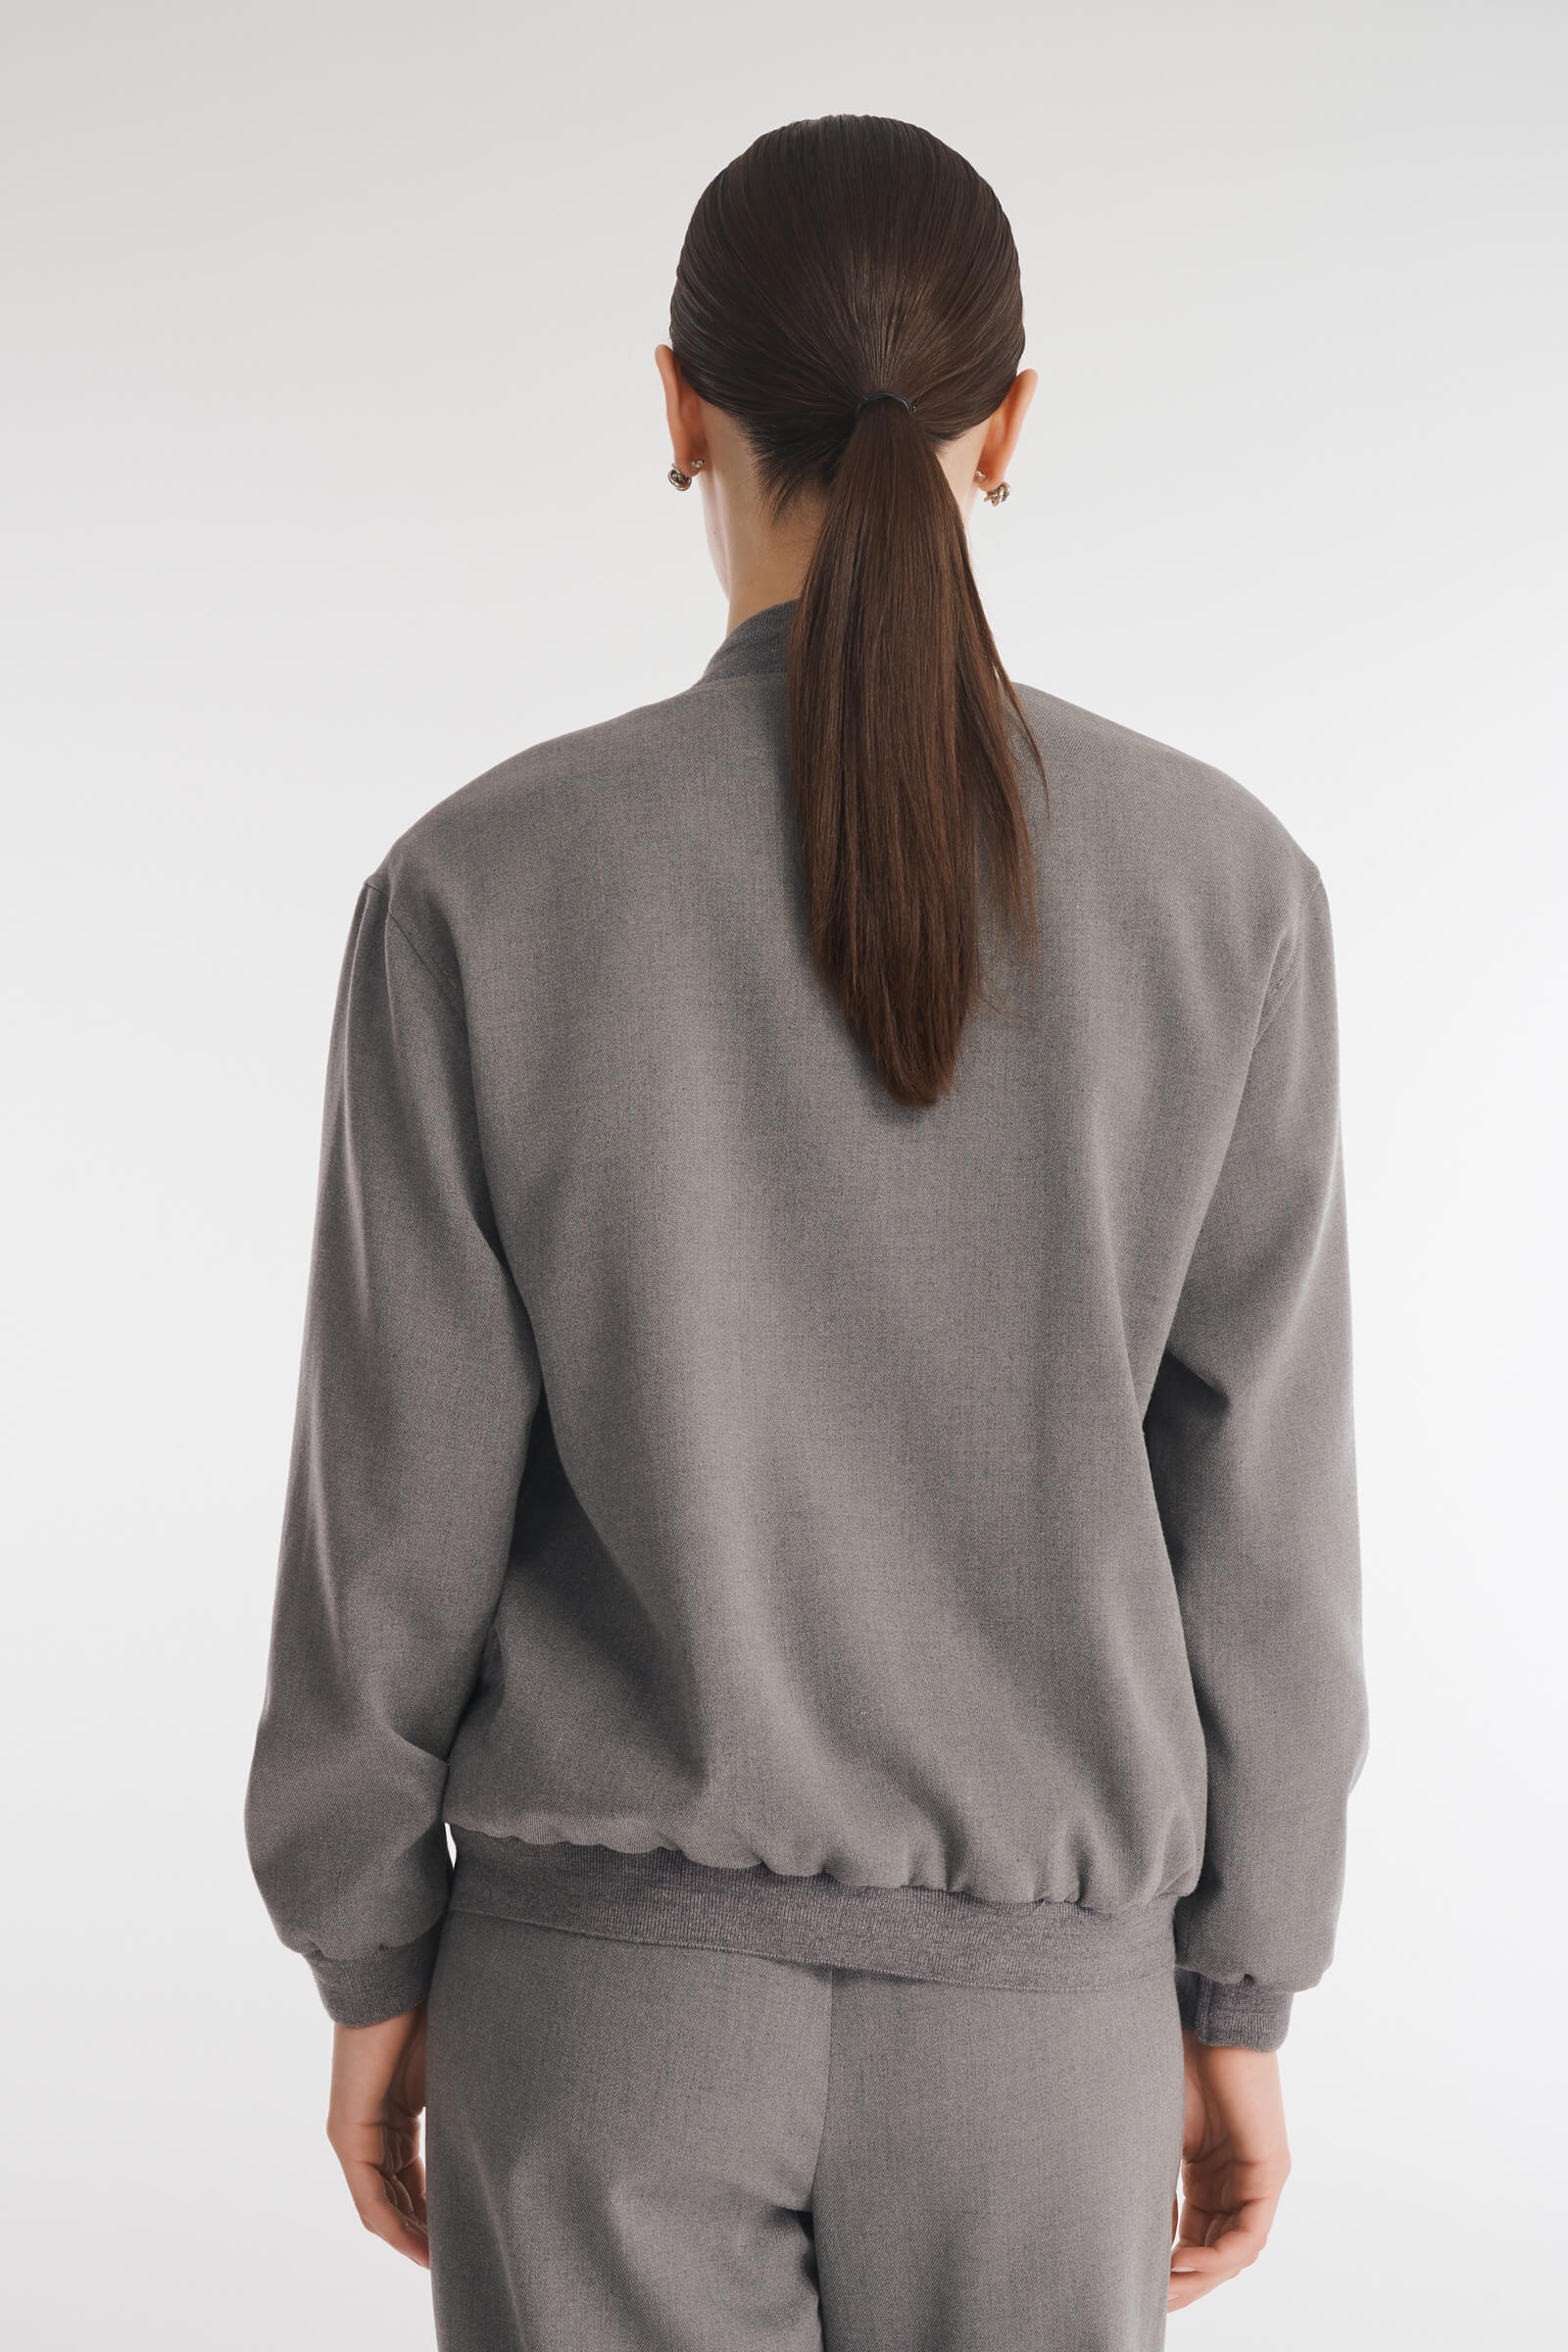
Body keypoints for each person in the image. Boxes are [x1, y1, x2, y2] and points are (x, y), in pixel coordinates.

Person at [245, 113, 1368, 2352]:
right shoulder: (1221, 892)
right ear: (1005, 427)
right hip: (1040, 2059)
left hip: (600, 2031)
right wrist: (1234, 1992)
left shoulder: (480, 885)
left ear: (677, 408)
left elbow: (393, 1509)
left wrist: (370, 1960)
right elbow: (1260, 1520)